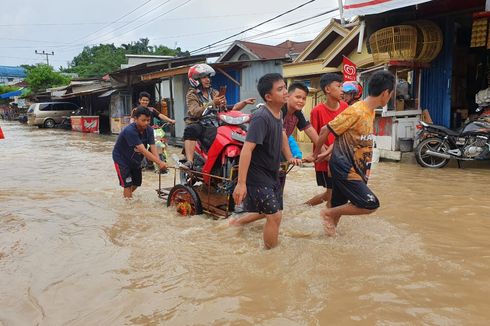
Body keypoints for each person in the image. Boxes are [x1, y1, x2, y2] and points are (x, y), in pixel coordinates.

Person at [313, 70, 395, 236]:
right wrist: (316, 155)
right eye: (392, 94)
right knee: (370, 204)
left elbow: (341, 136)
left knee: (337, 208)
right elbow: (324, 130)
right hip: (345, 169)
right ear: (385, 93)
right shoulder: (356, 110)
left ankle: (327, 244)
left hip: (354, 169)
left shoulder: (370, 111)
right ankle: (326, 214)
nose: (391, 97)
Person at [231, 73, 301, 249]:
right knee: (274, 215)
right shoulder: (261, 117)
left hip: (272, 173)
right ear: (268, 97)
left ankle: (236, 223)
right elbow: (247, 149)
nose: (286, 92)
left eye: (285, 87)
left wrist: (291, 156)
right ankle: (270, 255)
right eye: (280, 89)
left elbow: (283, 136)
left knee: (272, 212)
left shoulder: (278, 114)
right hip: (257, 176)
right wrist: (241, 183)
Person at [183, 63, 255, 168]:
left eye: (208, 77)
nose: (208, 79)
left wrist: (243, 102)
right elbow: (194, 112)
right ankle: (189, 162)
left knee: (242, 130)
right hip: (201, 123)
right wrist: (213, 104)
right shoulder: (192, 94)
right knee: (191, 129)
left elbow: (227, 109)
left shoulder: (214, 92)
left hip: (216, 122)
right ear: (195, 79)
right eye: (204, 77)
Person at [306, 73, 349, 207]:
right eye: (338, 86)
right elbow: (316, 137)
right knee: (331, 194)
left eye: (342, 86)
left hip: (341, 157)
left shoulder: (345, 107)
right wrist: (327, 156)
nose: (342, 89)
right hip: (324, 159)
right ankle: (328, 222)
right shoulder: (317, 111)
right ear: (327, 89)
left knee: (334, 193)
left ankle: (304, 207)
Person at [113, 106, 167, 198]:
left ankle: (125, 195)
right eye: (143, 120)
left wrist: (159, 162)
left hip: (136, 159)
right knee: (128, 184)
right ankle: (128, 207)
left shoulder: (149, 130)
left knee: (137, 183)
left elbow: (153, 147)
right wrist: (159, 162)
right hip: (122, 160)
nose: (146, 123)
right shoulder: (130, 131)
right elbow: (143, 151)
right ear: (135, 119)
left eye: (148, 120)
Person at [281, 82, 320, 158]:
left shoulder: (298, 112)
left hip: (279, 147)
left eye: (304, 98)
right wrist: (290, 157)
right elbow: (281, 134)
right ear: (287, 97)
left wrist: (325, 153)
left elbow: (310, 130)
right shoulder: (280, 110)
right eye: (298, 97)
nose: (301, 101)